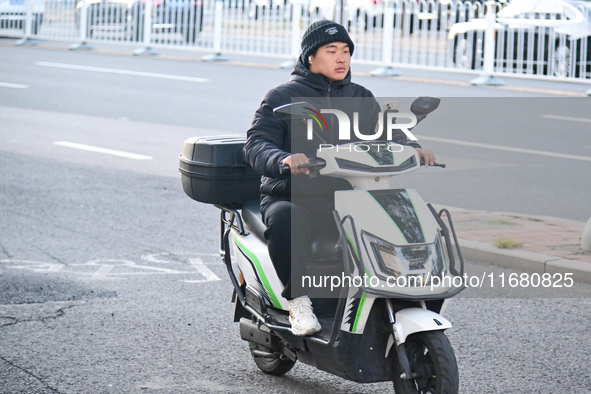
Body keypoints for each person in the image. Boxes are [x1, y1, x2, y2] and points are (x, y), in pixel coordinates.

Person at [245, 20, 436, 336]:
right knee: (285, 220)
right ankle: (298, 302)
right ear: (310, 57)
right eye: (331, 50)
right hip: (294, 196)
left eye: (346, 51)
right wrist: (283, 159)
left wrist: (413, 148)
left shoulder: (361, 97)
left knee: (398, 219)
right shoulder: (281, 97)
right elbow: (256, 143)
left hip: (348, 195)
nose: (341, 58)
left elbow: (387, 134)